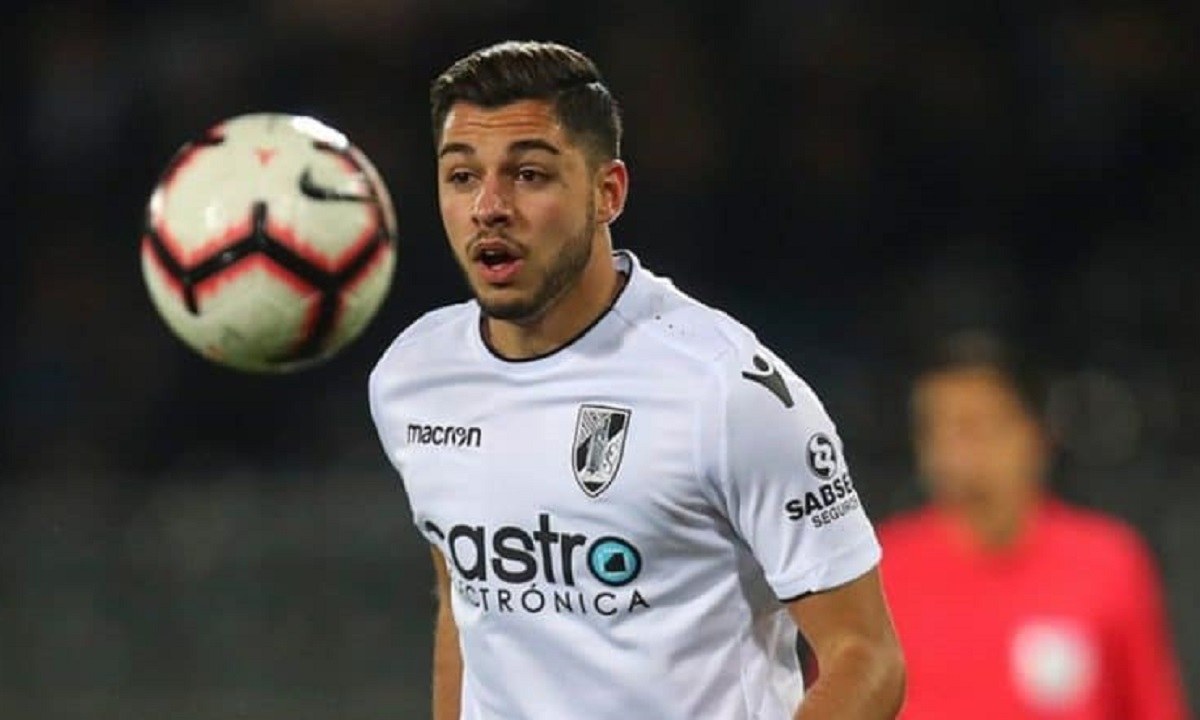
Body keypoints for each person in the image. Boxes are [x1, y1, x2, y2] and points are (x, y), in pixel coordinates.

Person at [368, 40, 905, 719]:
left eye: (529, 174)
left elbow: (867, 657)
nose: (490, 206)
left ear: (608, 193)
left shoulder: (725, 391)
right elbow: (465, 607)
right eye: (462, 176)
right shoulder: (414, 378)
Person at [879, 330, 1191, 719]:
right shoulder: (877, 570)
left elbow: (1153, 708)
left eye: (973, 427)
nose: (950, 451)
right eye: (933, 428)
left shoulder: (1109, 562)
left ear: (1036, 433)